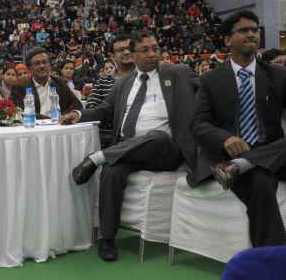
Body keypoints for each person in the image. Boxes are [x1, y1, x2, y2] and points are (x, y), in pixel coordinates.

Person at [187, 10, 286, 248]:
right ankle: (275, 260)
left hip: (271, 152)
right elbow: (198, 123)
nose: (252, 34)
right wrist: (225, 139)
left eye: (255, 30)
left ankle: (242, 165)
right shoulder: (211, 79)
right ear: (228, 40)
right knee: (261, 180)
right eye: (243, 30)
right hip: (228, 154)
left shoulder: (277, 75)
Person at [62, 30, 200, 261]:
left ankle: (97, 158)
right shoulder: (123, 84)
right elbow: (104, 111)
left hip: (165, 150)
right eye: (145, 50)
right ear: (133, 55)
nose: (152, 54)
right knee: (112, 172)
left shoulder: (178, 73)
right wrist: (78, 113)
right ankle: (107, 239)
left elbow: (209, 86)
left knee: (157, 136)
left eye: (155, 48)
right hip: (128, 148)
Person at [11, 47, 82, 119]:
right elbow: (21, 113)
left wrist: (63, 116)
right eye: (37, 63)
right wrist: (51, 119)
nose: (42, 66)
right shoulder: (20, 87)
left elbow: (77, 105)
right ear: (29, 68)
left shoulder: (59, 82)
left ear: (49, 65)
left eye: (44, 62)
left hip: (59, 126)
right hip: (35, 127)